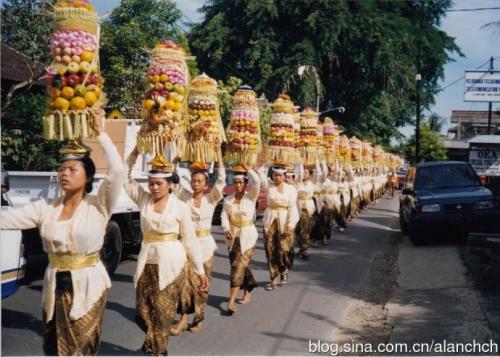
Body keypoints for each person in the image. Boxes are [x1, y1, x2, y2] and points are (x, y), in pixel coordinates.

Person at [0, 109, 123, 356]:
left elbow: (117, 172)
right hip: (54, 284)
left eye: (72, 169)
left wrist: (101, 133)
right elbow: (7, 218)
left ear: (88, 176)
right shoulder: (46, 208)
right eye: (62, 168)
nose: (64, 173)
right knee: (55, 347)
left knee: (81, 346)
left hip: (89, 286)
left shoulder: (99, 205)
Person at [123, 148, 208, 356]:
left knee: (162, 313)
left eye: (158, 184)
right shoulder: (143, 200)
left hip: (172, 265)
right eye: (151, 183)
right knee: (142, 312)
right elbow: (124, 175)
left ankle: (159, 351)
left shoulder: (179, 206)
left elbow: (190, 241)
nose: (153, 188)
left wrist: (199, 271)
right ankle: (152, 339)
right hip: (146, 263)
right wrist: (135, 151)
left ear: (170, 184)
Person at [172, 153, 225, 334]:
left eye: (199, 181)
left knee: (202, 283)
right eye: (193, 180)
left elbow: (221, 180)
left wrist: (218, 155)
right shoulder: (184, 196)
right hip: (185, 245)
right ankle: (183, 318)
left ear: (205, 184)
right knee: (184, 283)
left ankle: (198, 317)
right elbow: (172, 179)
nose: (195, 184)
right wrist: (176, 160)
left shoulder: (211, 199)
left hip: (205, 247)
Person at [221, 164, 260, 313]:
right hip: (233, 237)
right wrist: (226, 229)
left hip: (248, 236)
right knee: (240, 265)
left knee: (238, 268)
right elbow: (224, 215)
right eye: (235, 183)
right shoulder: (228, 199)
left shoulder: (251, 196)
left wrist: (249, 169)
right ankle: (248, 289)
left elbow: (257, 182)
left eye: (241, 183)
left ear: (245, 184)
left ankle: (231, 301)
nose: (238, 185)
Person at [259, 162, 299, 290]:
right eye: (275, 175)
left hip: (284, 221)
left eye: (280, 175)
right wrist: (265, 164)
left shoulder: (291, 189)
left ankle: (284, 270)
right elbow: (259, 176)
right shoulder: (268, 187)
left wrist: (291, 225)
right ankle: (273, 279)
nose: (277, 178)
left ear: (284, 176)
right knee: (270, 250)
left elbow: (293, 208)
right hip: (270, 220)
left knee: (284, 250)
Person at [295, 163, 317, 258]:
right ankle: (301, 247)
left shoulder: (312, 183)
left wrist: (316, 162)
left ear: (310, 174)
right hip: (297, 208)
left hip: (307, 209)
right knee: (298, 230)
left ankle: (304, 249)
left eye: (306, 172)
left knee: (305, 229)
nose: (304, 174)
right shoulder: (297, 183)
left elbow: (320, 172)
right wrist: (301, 163)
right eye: (303, 172)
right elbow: (298, 173)